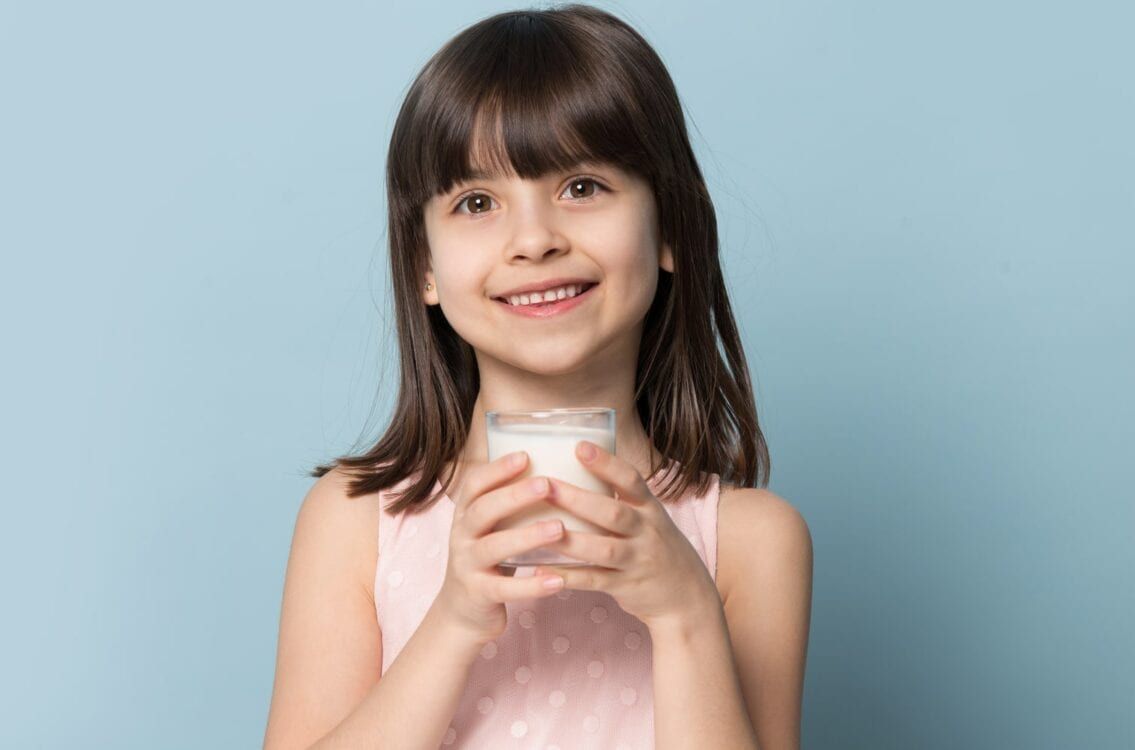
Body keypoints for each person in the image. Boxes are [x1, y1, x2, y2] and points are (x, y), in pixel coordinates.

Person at [264, 5, 812, 749]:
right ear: (424, 267)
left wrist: (686, 618)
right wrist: (452, 622)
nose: (533, 241)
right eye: (477, 202)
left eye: (582, 187)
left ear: (671, 232)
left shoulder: (749, 541)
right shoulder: (359, 520)